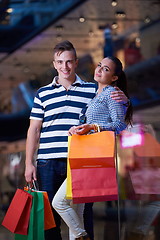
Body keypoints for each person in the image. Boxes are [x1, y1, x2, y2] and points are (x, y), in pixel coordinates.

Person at [24, 40, 129, 240]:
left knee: (84, 214)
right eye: (60, 62)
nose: (65, 67)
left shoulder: (92, 90)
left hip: (81, 160)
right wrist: (29, 163)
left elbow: (110, 101)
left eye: (69, 61)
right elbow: (34, 130)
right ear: (54, 64)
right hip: (47, 162)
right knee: (50, 219)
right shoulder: (42, 94)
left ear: (76, 62)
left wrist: (124, 99)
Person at [52, 55, 133, 240]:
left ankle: (82, 236)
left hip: (94, 156)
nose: (99, 70)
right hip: (86, 153)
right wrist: (80, 128)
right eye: (99, 65)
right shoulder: (96, 93)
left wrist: (93, 127)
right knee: (76, 208)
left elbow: (120, 125)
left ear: (114, 77)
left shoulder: (112, 93)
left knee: (60, 202)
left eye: (105, 69)